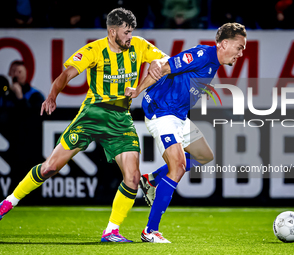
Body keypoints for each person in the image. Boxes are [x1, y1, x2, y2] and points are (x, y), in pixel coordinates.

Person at [0, 8, 168, 243]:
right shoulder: (94, 50)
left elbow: (166, 59)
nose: (130, 36)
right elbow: (66, 74)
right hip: (92, 115)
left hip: (121, 118)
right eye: (126, 32)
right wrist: (52, 96)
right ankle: (9, 202)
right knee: (50, 167)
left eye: (132, 32)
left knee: (132, 177)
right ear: (112, 31)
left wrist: (157, 64)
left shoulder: (139, 46)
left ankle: (111, 231)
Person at [125, 22, 247, 243]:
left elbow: (166, 64)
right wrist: (137, 91)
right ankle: (150, 231)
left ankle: (152, 180)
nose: (241, 53)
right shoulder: (203, 54)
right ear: (225, 43)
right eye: (239, 47)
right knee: (178, 166)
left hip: (179, 116)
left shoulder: (214, 63)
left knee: (204, 156)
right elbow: (163, 67)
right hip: (162, 113)